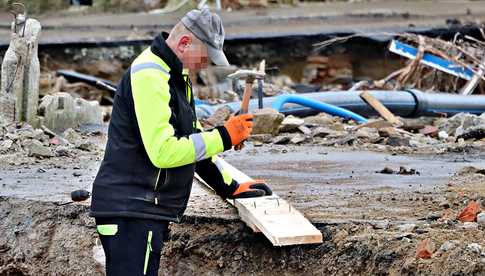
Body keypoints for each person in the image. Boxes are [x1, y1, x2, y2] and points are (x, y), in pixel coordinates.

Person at [89, 8, 272, 276]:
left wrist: (229, 186)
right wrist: (224, 136)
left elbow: (192, 143)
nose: (206, 65)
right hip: (131, 210)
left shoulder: (175, 76)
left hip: (143, 210)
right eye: (205, 56)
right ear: (185, 43)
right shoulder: (151, 74)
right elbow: (163, 152)